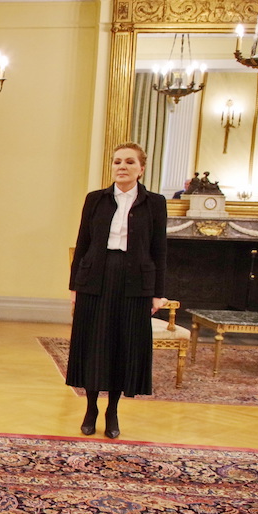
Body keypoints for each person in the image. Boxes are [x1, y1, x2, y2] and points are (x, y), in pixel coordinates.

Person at [67, 142, 167, 439]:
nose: (122, 166)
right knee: (95, 344)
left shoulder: (155, 203)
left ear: (141, 168)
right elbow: (82, 243)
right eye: (117, 162)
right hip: (96, 278)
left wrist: (157, 292)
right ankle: (91, 408)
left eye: (129, 162)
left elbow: (159, 250)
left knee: (123, 346)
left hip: (135, 282)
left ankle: (112, 411)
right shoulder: (95, 199)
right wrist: (74, 286)